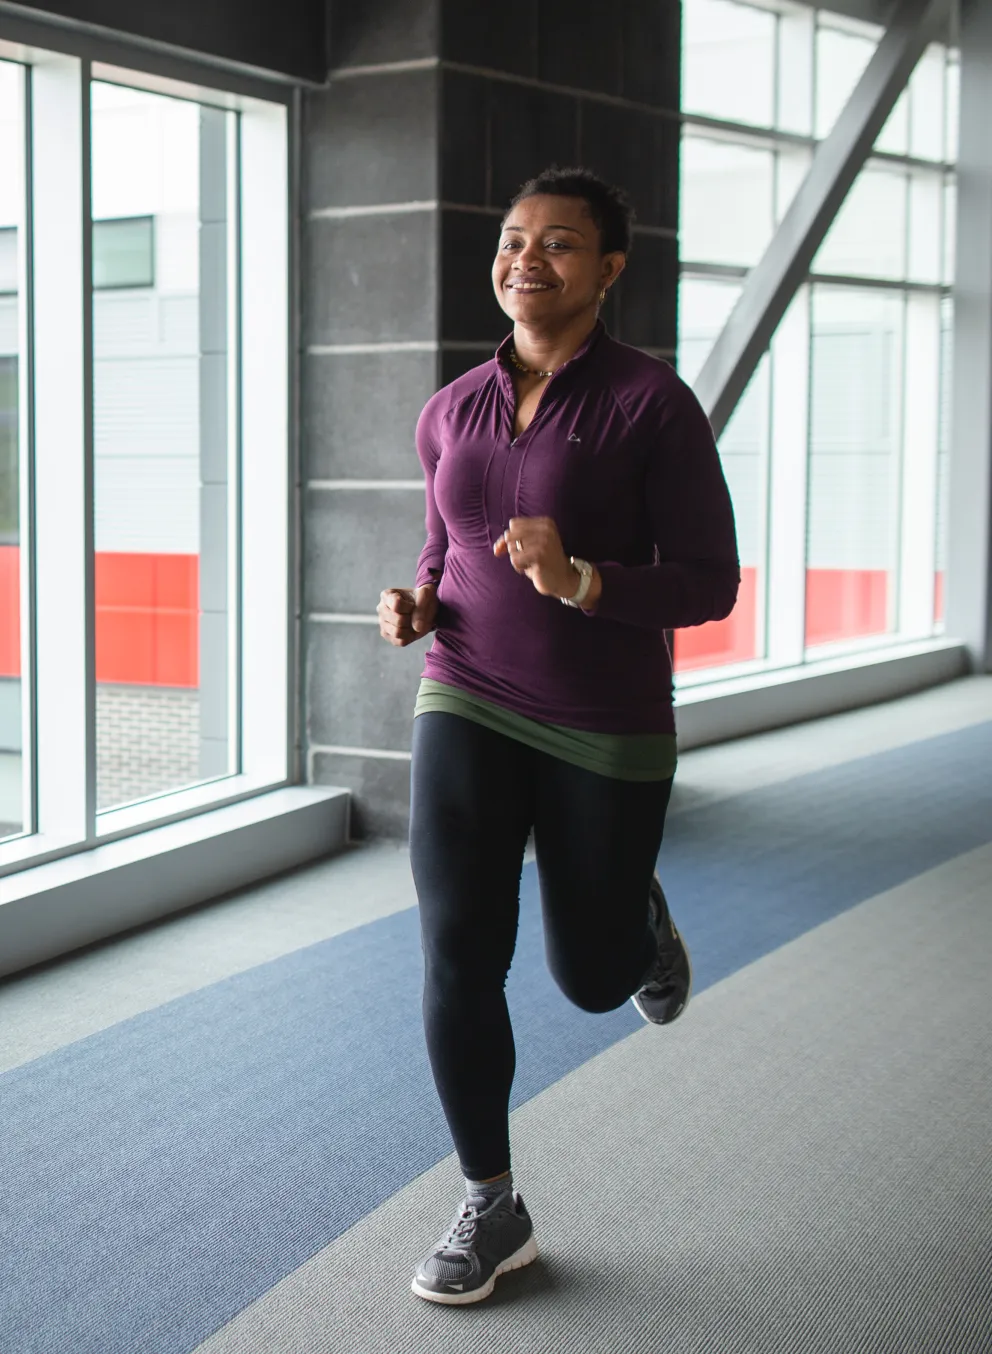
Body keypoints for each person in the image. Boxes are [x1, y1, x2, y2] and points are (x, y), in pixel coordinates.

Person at [377, 167, 739, 1306]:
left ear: (609, 270)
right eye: (514, 239)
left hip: (601, 721)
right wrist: (420, 599)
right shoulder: (450, 409)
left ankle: (634, 925)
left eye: (562, 244)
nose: (528, 259)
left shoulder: (649, 405)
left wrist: (582, 579)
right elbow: (447, 538)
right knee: (455, 946)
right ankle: (491, 1203)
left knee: (586, 977)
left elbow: (709, 582)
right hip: (467, 691)